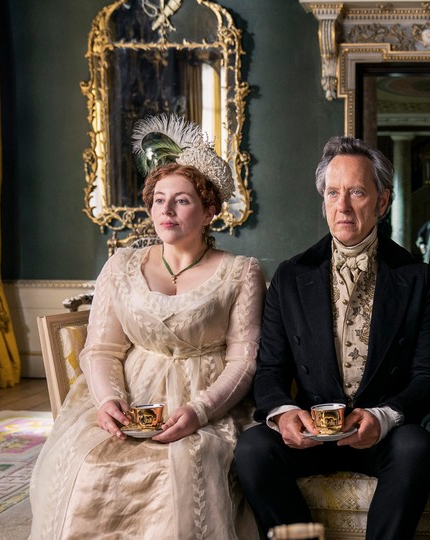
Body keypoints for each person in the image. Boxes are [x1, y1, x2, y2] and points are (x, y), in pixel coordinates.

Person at [29, 114, 266, 539]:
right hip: (131, 394)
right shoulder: (121, 266)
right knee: (90, 463)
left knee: (186, 467)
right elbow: (101, 350)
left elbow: (244, 359)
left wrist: (199, 411)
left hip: (207, 399)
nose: (166, 211)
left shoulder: (240, 272)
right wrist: (107, 402)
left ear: (210, 210)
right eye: (158, 199)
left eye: (182, 200)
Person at [235, 136, 430, 539]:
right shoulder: (291, 277)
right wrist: (283, 413)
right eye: (333, 193)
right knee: (253, 449)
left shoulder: (417, 277)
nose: (343, 206)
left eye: (357, 192)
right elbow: (270, 371)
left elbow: (429, 375)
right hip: (313, 431)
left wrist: (383, 418)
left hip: (380, 434)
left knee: (417, 447)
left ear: (382, 202)